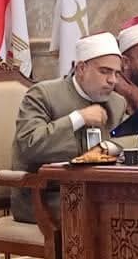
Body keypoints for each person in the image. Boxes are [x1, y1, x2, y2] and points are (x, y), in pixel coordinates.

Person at [11, 32, 125, 223]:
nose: (113, 80)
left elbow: (125, 144)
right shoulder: (43, 95)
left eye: (117, 73)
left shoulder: (117, 103)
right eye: (105, 71)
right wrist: (78, 118)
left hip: (99, 194)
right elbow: (29, 144)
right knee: (105, 216)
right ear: (81, 69)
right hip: (46, 197)